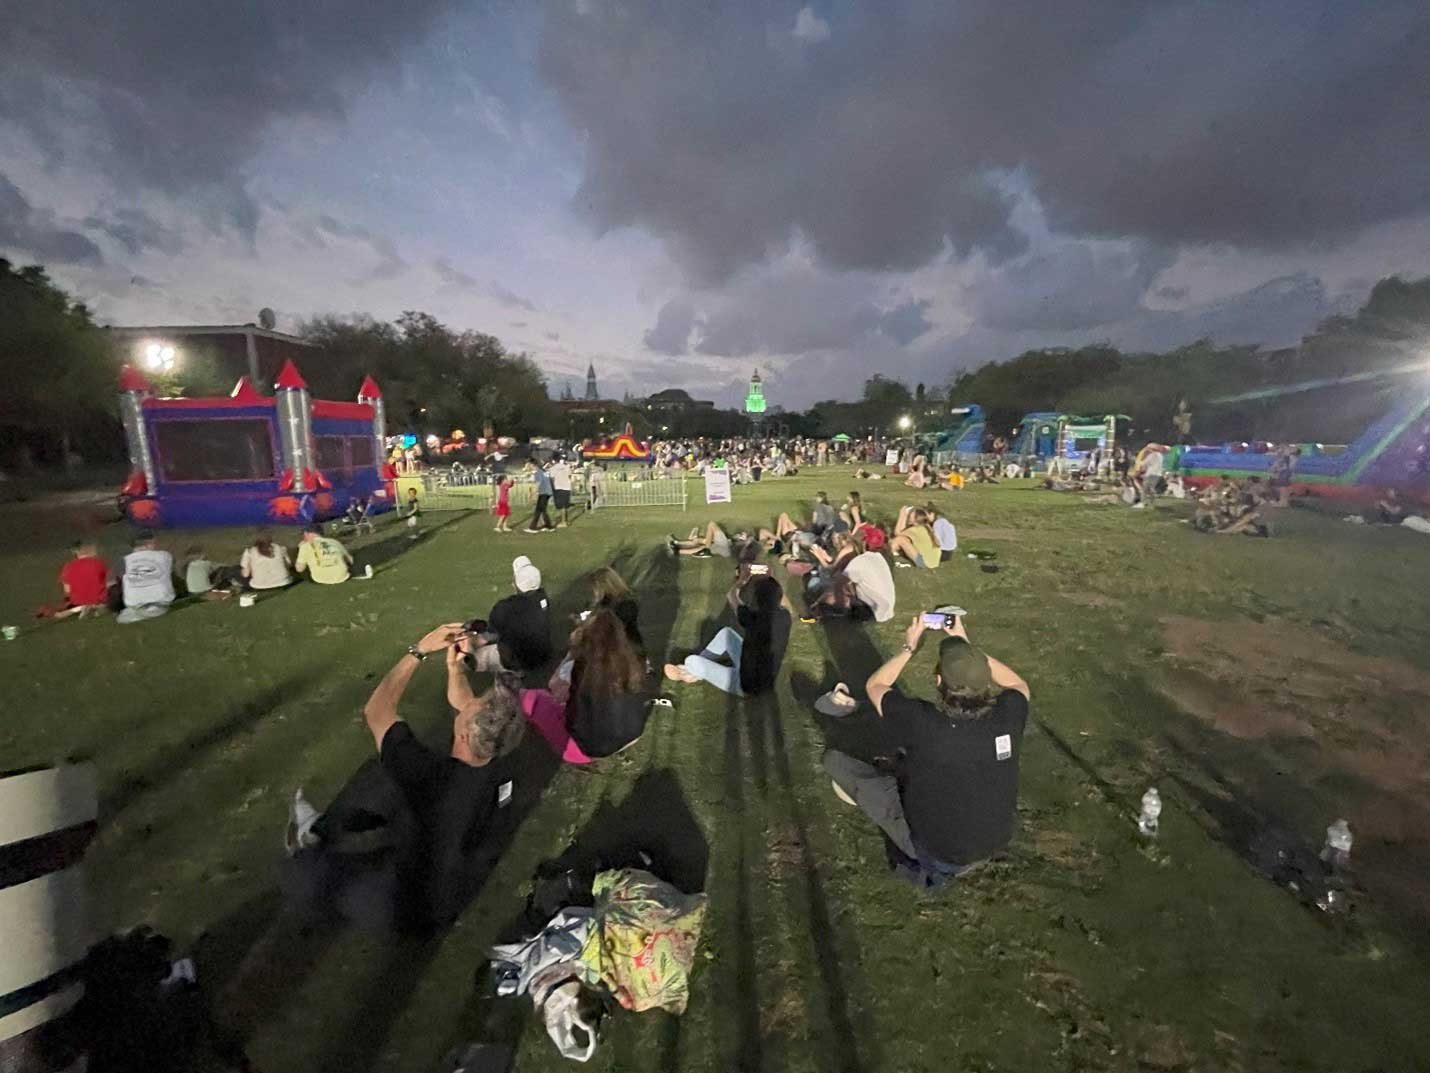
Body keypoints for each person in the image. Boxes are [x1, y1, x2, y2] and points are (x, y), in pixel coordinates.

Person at [825, 613, 1030, 886]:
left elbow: (876, 686)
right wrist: (967, 649)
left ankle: (915, 861)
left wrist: (909, 647)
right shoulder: (1010, 714)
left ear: (937, 680)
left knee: (835, 762)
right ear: (986, 680)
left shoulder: (922, 721)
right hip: (992, 842)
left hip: (939, 853)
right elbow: (1018, 685)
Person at [361, 623, 526, 926]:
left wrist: (418, 650)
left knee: (311, 872)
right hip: (458, 892)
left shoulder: (430, 776)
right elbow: (469, 709)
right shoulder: (500, 754)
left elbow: (377, 711)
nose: (467, 703)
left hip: (413, 907)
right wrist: (455, 669)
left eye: (468, 709)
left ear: (463, 735)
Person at [664, 573, 790, 696]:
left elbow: (731, 595)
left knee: (691, 660)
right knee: (726, 634)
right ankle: (695, 670)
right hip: (761, 679)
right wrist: (770, 580)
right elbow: (780, 601)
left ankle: (689, 672)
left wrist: (740, 581)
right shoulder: (785, 616)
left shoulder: (752, 617)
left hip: (744, 685)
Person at [563, 609, 655, 758]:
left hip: (588, 744)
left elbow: (571, 704)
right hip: (629, 735)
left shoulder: (583, 666)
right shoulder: (634, 661)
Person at [468, 556, 553, 673]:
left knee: (473, 656)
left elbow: (487, 638)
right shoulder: (543, 598)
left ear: (516, 583)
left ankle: (515, 673)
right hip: (543, 656)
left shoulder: (504, 608)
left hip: (517, 662)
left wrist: (470, 639)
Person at [116, 530, 177, 624]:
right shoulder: (165, 555)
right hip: (162, 602)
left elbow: (120, 579)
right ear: (149, 544)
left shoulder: (124, 560)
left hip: (135, 604)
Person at [843, 545, 896, 622]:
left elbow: (839, 585)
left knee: (833, 592)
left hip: (871, 611)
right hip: (887, 609)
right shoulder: (878, 559)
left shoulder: (859, 561)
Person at [58, 540, 109, 615]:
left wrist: (68, 602)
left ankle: (82, 608)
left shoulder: (68, 567)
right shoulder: (98, 563)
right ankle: (95, 608)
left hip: (77, 602)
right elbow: (109, 581)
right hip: (99, 600)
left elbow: (67, 590)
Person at [669, 521, 734, 558]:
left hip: (725, 545)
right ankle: (676, 545)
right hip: (725, 547)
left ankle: (707, 550)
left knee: (711, 525)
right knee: (699, 542)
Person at [525, 463, 555, 533]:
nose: (527, 468)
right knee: (542, 510)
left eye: (528, 466)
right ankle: (548, 526)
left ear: (533, 465)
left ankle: (532, 528)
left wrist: (532, 494)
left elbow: (538, 483)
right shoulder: (544, 471)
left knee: (538, 510)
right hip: (548, 492)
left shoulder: (537, 472)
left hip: (544, 492)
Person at [549, 455, 574, 528]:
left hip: (559, 487)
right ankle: (565, 520)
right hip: (567, 487)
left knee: (561, 506)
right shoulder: (566, 467)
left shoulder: (553, 468)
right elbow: (569, 476)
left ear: (554, 460)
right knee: (565, 505)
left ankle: (563, 522)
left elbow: (552, 479)